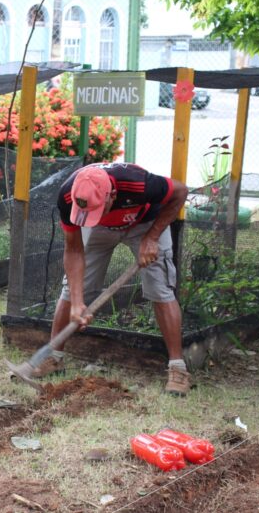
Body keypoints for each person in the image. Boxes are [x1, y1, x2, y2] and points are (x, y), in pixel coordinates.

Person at [33, 162, 191, 396]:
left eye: (96, 209)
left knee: (161, 289)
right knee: (71, 290)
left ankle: (178, 368)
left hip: (144, 224)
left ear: (112, 195)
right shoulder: (68, 196)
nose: (89, 215)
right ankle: (54, 357)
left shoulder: (139, 183)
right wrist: (78, 302)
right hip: (100, 230)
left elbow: (181, 191)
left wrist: (152, 237)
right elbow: (74, 250)